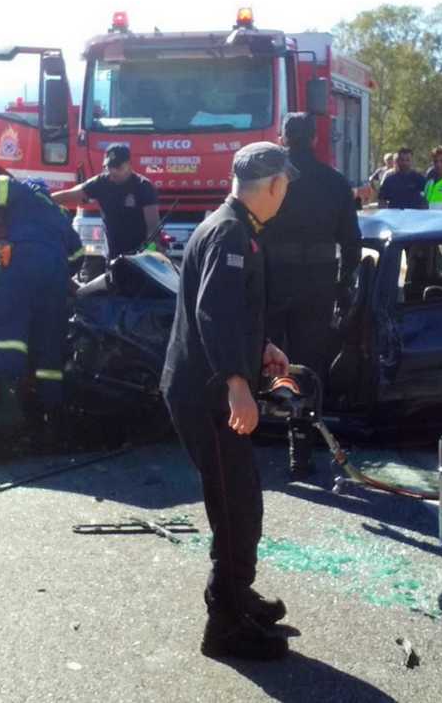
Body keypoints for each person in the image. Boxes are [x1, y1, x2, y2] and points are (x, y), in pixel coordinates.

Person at [161, 142, 296, 661]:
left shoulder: (235, 227)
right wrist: (237, 384)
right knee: (235, 507)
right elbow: (212, 314)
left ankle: (236, 597)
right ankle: (225, 626)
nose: (285, 193)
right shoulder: (230, 232)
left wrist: (260, 348)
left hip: (211, 386)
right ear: (273, 185)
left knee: (242, 501)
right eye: (285, 185)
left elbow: (227, 311)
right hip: (208, 396)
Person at [0, 148, 83, 446]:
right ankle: (52, 413)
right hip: (56, 276)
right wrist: (62, 274)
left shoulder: (21, 192)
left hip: (24, 265)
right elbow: (77, 256)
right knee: (49, 339)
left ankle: (8, 404)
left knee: (8, 330)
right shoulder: (58, 212)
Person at [260, 113, 362, 479]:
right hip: (316, 287)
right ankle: (299, 452)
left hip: (273, 284)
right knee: (307, 367)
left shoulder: (270, 180)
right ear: (315, 138)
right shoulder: (334, 183)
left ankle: (253, 434)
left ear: (283, 138)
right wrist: (343, 286)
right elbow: (352, 243)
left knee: (266, 358)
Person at [51, 144, 159, 260]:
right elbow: (70, 195)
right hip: (113, 255)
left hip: (139, 257)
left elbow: (153, 229)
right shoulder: (101, 183)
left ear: (128, 164)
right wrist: (38, 198)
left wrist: (150, 253)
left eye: (118, 167)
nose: (113, 171)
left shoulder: (143, 186)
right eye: (109, 167)